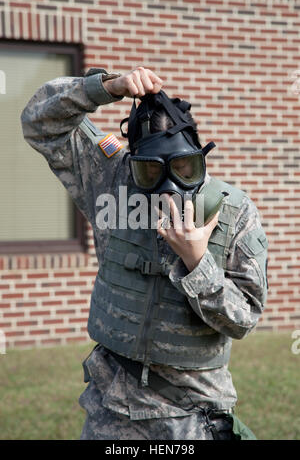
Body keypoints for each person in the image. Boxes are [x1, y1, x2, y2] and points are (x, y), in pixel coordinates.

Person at [21, 67, 268, 440]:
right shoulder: (110, 181)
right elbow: (40, 121)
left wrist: (198, 262)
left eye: (185, 168)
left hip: (189, 416)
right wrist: (106, 87)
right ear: (132, 164)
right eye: (151, 173)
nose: (169, 186)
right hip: (111, 411)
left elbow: (244, 318)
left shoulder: (234, 213)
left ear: (200, 155)